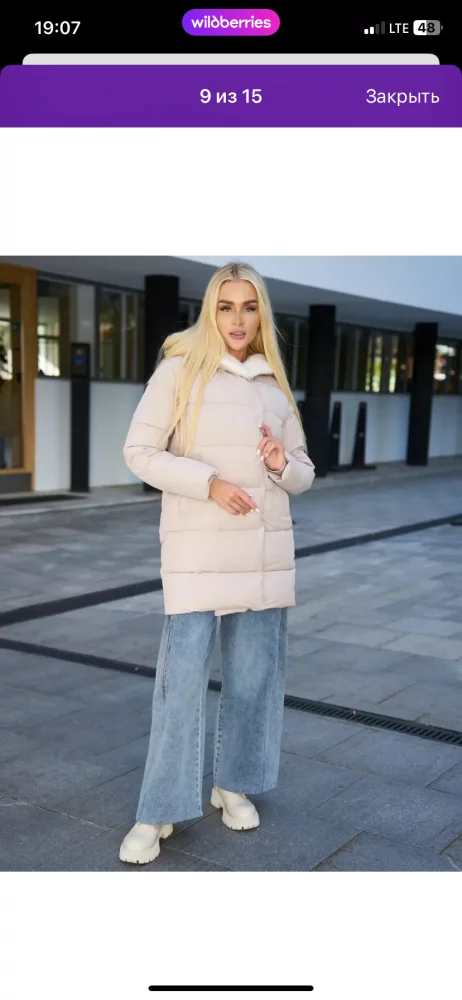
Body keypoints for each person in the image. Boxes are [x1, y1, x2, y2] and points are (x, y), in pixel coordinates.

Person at [119, 261, 315, 864]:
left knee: (254, 682)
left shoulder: (274, 385)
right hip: (199, 554)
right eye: (226, 306)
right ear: (211, 310)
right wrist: (208, 484)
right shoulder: (179, 370)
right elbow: (139, 451)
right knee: (179, 689)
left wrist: (281, 463)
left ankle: (233, 785)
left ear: (261, 314)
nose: (237, 319)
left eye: (248, 307)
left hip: (261, 557)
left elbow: (304, 475)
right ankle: (158, 810)